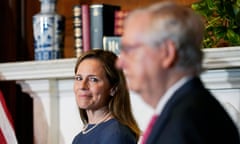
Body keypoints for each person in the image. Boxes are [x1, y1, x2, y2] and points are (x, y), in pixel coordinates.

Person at [116, 2, 240, 144]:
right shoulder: (183, 108)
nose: (120, 62)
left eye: (130, 50)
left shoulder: (190, 120)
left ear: (167, 53)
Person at [72, 49, 141, 144]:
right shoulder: (78, 139)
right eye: (79, 78)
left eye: (93, 79)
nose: (82, 86)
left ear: (113, 88)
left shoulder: (116, 134)